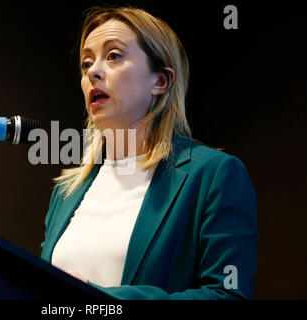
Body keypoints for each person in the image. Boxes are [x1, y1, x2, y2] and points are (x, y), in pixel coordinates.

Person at [40, 6, 258, 300]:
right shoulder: (66, 191)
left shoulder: (214, 175)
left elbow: (229, 295)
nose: (93, 71)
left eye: (114, 56)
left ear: (160, 81)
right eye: (86, 63)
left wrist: (102, 301)